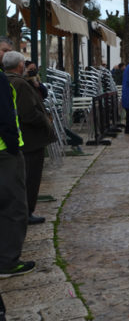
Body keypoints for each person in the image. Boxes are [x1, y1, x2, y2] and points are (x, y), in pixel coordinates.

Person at [4, 52, 57, 225]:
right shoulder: (19, 83)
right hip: (31, 138)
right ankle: (27, 212)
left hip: (22, 138)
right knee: (31, 178)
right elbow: (27, 112)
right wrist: (44, 121)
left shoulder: (9, 80)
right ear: (20, 66)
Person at [0, 66, 35, 278]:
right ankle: (8, 262)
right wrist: (13, 145)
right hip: (5, 151)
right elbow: (5, 114)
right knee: (13, 206)